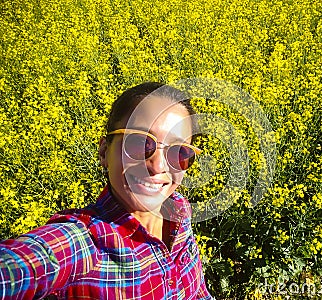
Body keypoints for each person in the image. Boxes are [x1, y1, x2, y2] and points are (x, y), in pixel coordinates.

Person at [0, 82, 214, 299]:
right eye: (139, 143)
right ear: (104, 151)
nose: (158, 166)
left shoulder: (178, 210)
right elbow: (17, 268)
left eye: (179, 151)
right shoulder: (83, 244)